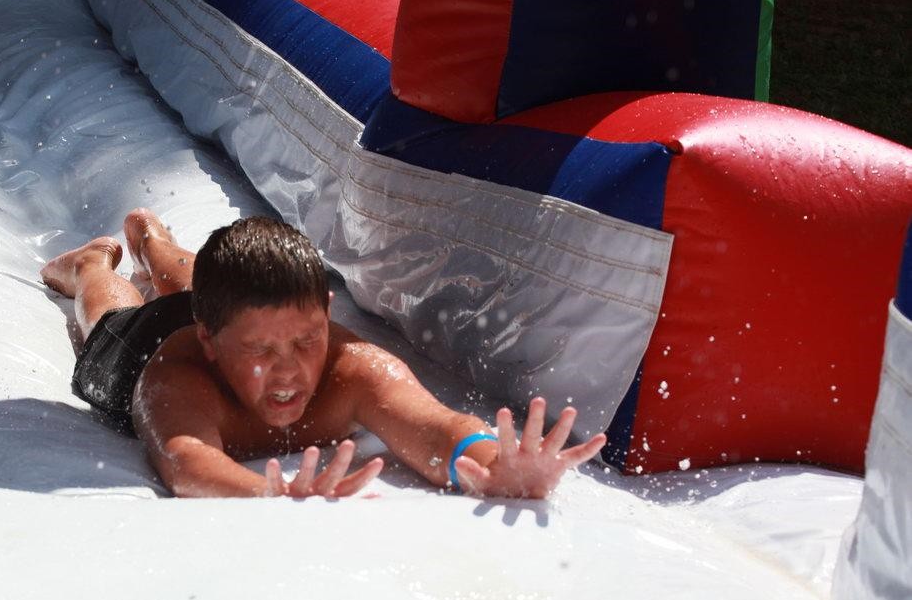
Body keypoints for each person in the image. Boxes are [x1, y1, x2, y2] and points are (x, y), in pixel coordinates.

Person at [41, 209, 606, 498]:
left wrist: (493, 465)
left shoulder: (352, 368)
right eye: (262, 351)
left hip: (224, 312)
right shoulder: (178, 381)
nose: (289, 369)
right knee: (109, 316)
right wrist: (270, 491)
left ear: (326, 314)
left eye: (307, 340)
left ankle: (152, 241)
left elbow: (436, 426)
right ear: (209, 342)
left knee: (205, 287)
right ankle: (91, 262)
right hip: (146, 341)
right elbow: (188, 466)